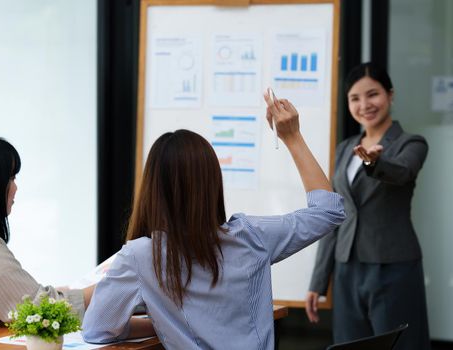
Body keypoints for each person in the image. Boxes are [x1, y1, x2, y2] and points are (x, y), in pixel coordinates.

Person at [81, 95, 346, 348]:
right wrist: (292, 137)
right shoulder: (252, 236)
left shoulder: (140, 256)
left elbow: (98, 330)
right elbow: (328, 211)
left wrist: (163, 325)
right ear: (213, 184)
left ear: (152, 188)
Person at [305, 62, 430, 350]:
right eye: (355, 98)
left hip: (393, 267)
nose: (364, 105)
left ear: (390, 94)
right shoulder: (345, 147)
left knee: (400, 346)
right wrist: (318, 281)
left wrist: (375, 163)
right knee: (350, 346)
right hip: (347, 268)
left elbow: (402, 171)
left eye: (372, 94)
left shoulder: (411, 143)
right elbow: (335, 214)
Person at [0, 132, 93, 328]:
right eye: (11, 178)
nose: (16, 187)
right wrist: (106, 288)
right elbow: (36, 309)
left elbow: (22, 296)